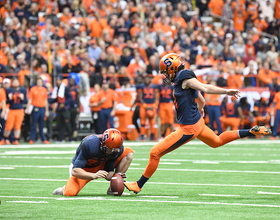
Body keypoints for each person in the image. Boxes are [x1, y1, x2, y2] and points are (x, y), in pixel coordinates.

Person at [124, 53, 272, 194]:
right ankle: (250, 131)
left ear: (172, 68)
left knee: (154, 153)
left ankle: (138, 185)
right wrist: (200, 111)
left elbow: (206, 88)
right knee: (217, 141)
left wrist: (226, 92)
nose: (165, 75)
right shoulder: (184, 78)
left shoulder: (184, 77)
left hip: (188, 128)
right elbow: (201, 100)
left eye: (166, 71)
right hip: (198, 123)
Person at [52, 128, 134, 196]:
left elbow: (109, 169)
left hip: (101, 164)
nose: (113, 152)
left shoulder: (116, 149)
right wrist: (93, 175)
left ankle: (113, 189)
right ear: (103, 144)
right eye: (110, 150)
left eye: (115, 150)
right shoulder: (90, 144)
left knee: (129, 153)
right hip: (85, 168)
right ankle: (63, 189)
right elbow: (75, 170)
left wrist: (115, 177)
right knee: (69, 192)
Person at [1, 78, 27, 145]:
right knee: (8, 126)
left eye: (16, 82)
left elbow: (25, 101)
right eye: (14, 82)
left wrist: (22, 98)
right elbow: (6, 101)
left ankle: (16, 139)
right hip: (11, 109)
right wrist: (9, 98)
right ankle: (5, 138)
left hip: (19, 110)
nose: (15, 83)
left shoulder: (23, 90)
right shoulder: (9, 90)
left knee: (18, 126)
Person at [26, 77, 49, 144]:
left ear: (42, 82)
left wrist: (46, 110)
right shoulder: (33, 89)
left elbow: (45, 100)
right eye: (38, 81)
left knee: (41, 124)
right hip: (35, 108)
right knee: (34, 123)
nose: (39, 83)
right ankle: (32, 138)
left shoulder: (44, 90)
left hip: (42, 108)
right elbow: (30, 99)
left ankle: (43, 138)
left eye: (40, 82)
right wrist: (28, 108)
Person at [52, 75, 72, 142]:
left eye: (59, 80)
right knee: (59, 124)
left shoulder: (65, 88)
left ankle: (70, 138)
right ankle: (61, 138)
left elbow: (70, 97)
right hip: (59, 109)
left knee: (67, 123)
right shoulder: (56, 89)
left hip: (65, 109)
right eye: (57, 80)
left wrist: (64, 104)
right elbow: (55, 99)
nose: (58, 82)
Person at [139, 76, 158, 141]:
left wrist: (154, 105)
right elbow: (140, 97)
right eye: (145, 79)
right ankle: (142, 136)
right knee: (143, 121)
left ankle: (152, 136)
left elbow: (155, 97)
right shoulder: (142, 87)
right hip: (144, 105)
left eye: (148, 79)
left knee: (152, 122)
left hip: (151, 105)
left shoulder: (154, 87)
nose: (146, 80)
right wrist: (144, 105)